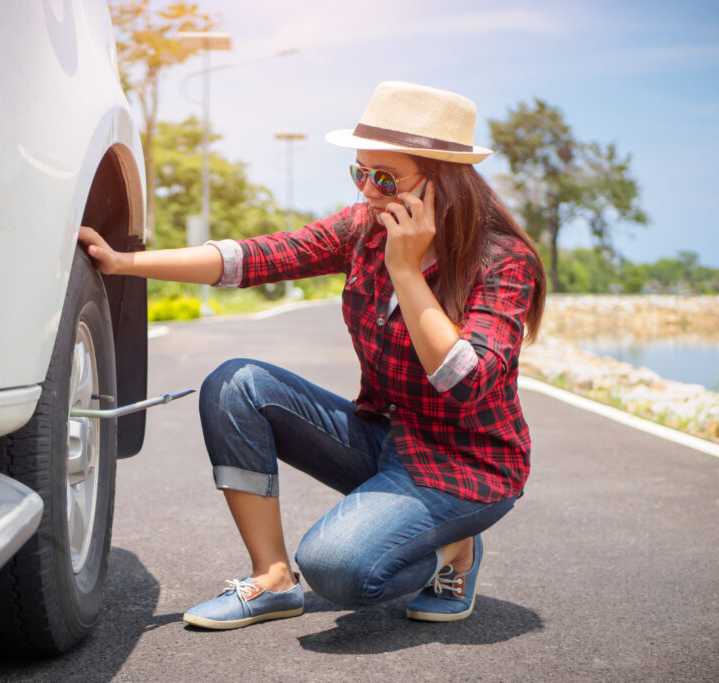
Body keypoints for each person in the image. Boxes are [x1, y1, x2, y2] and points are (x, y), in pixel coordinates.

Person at [78, 81, 546, 630]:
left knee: (338, 569)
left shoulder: (503, 261)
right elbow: (255, 258)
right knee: (237, 385)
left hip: (466, 468)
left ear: (441, 182)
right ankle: (272, 578)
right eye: (360, 172)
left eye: (385, 177)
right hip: (385, 439)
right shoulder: (363, 229)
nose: (369, 191)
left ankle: (458, 549)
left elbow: (465, 381)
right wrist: (122, 262)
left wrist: (405, 268)